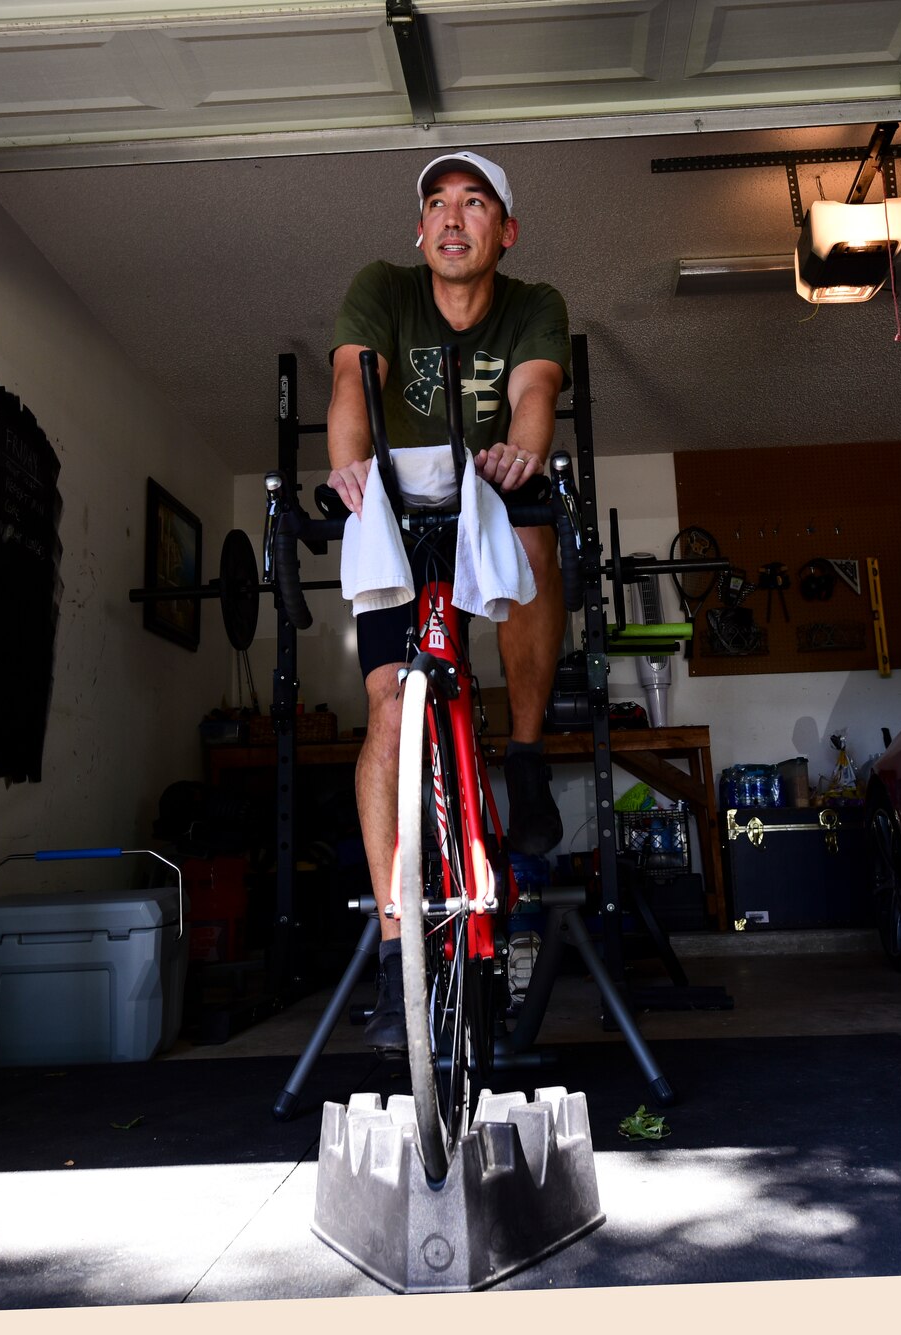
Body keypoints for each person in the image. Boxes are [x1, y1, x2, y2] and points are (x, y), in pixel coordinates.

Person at [326, 150, 570, 1051]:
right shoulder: (382, 287)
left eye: (475, 203)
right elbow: (356, 379)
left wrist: (523, 451)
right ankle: (397, 955)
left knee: (535, 527)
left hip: (484, 499)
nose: (453, 217)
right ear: (419, 230)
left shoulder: (534, 302)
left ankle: (530, 754)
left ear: (504, 230)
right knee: (388, 709)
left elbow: (534, 390)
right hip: (396, 505)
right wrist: (350, 463)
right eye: (437, 203)